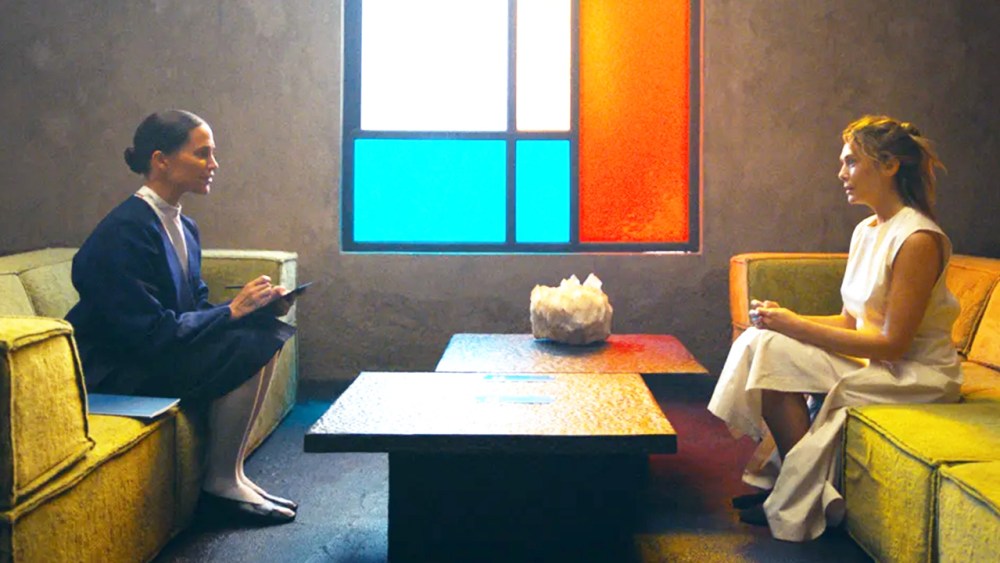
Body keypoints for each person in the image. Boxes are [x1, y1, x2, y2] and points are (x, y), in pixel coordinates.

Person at [708, 115, 961, 541]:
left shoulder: (918, 239)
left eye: (851, 162)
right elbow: (849, 321)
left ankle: (797, 495)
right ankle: (794, 487)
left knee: (772, 346)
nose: (841, 173)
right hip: (875, 359)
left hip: (915, 375)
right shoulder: (866, 230)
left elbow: (893, 345)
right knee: (764, 340)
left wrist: (795, 326)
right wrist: (783, 319)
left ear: (889, 166)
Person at [66, 110, 298, 525]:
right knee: (252, 340)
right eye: (202, 154)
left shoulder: (184, 226)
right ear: (161, 160)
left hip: (154, 350)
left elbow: (191, 311)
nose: (214, 164)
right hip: (116, 369)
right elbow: (149, 332)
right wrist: (231, 312)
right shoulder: (123, 230)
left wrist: (251, 310)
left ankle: (233, 474)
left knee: (263, 328)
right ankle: (219, 484)